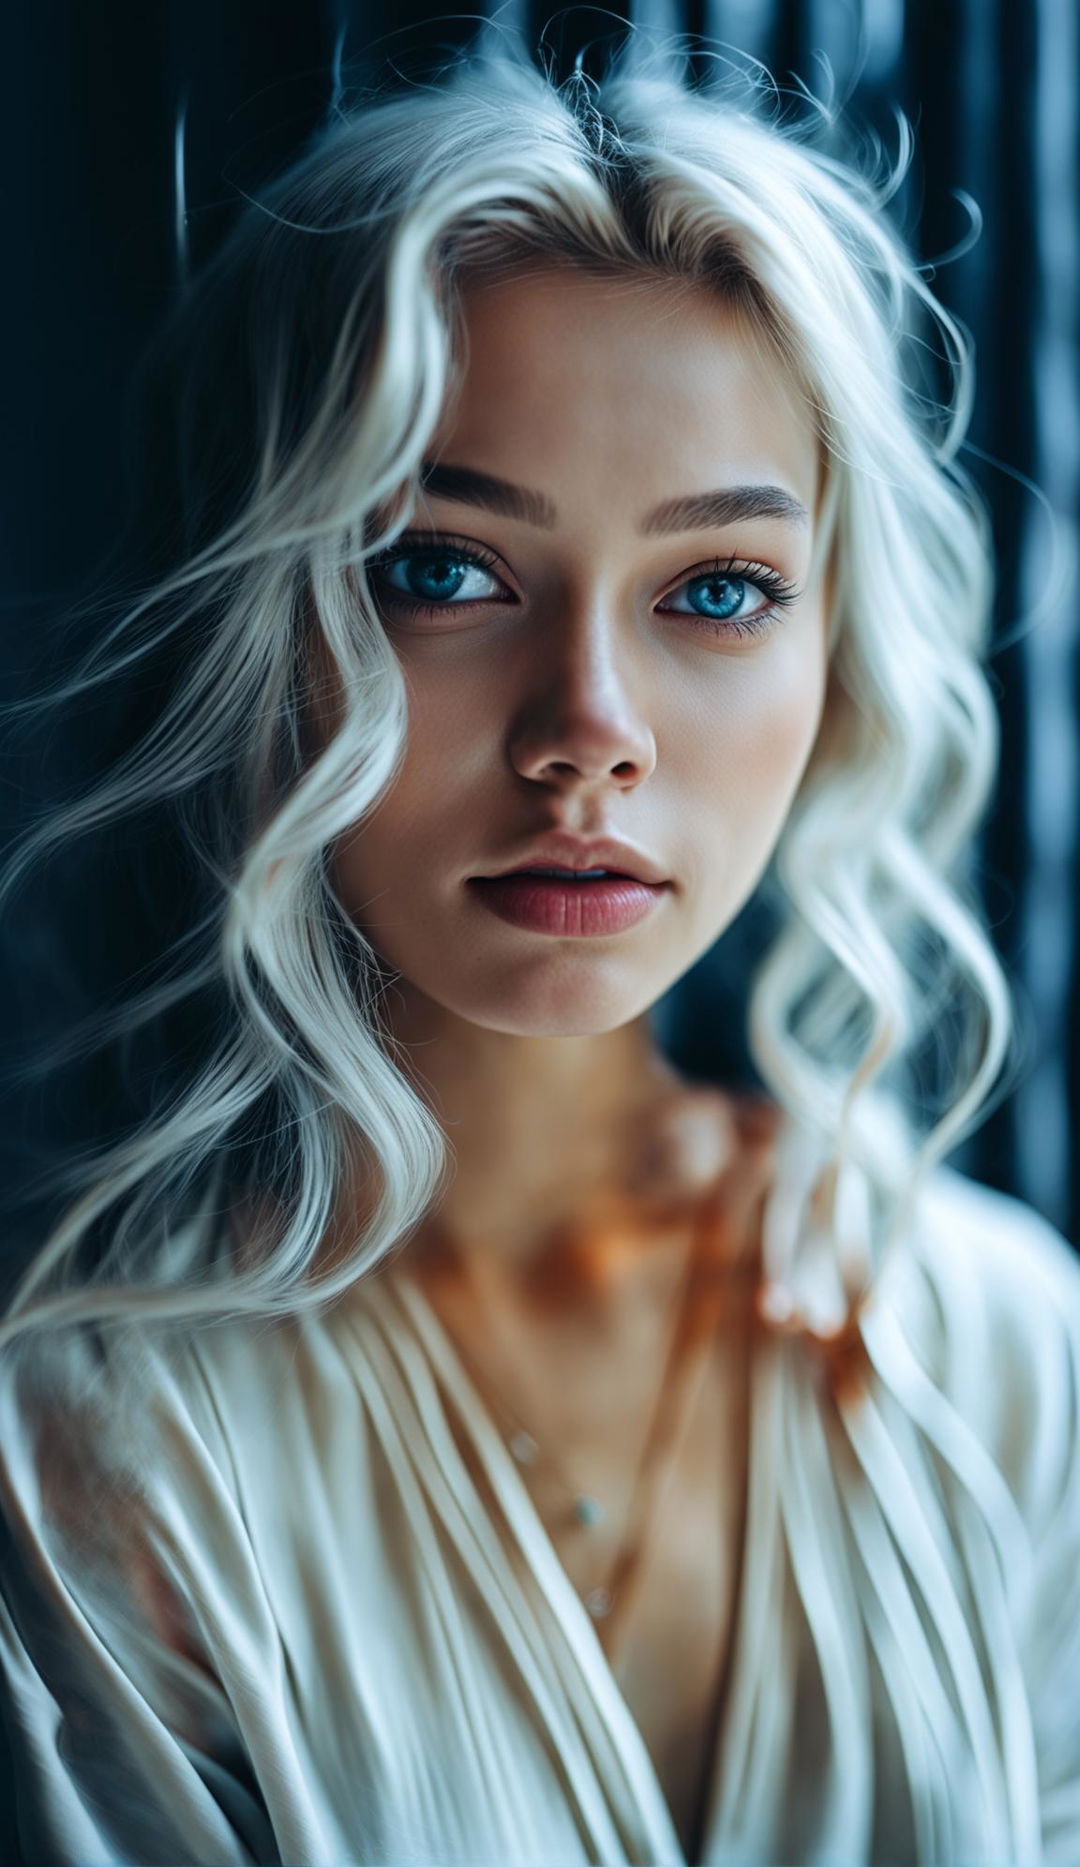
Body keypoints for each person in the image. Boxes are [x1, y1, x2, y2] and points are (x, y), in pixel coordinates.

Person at [0, 28, 1078, 1867]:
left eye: (716, 591)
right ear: (266, 622)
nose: (590, 727)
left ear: (841, 663)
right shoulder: (90, 1449)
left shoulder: (998, 1350)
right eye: (444, 570)